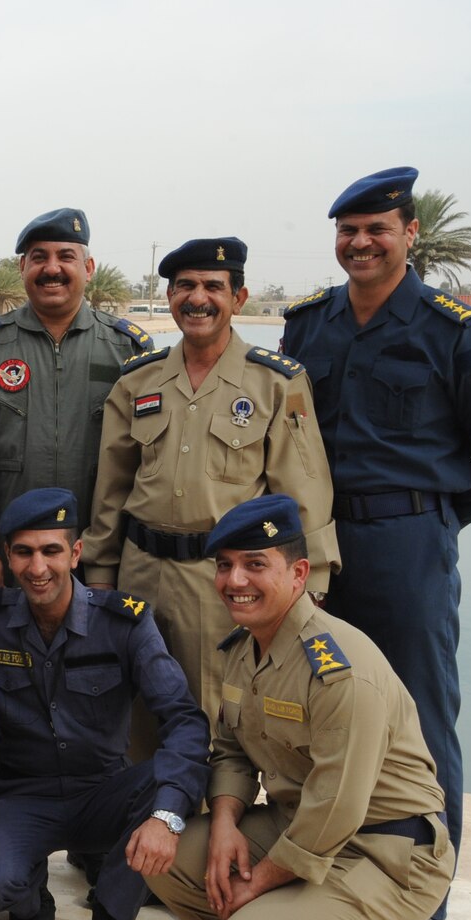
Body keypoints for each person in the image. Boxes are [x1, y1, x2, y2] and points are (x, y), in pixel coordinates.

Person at [281, 167, 471, 920]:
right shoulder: (309, 326)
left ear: (409, 233)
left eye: (376, 229)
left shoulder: (457, 330)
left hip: (405, 545)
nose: (360, 243)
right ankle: (324, 871)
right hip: (314, 550)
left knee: (418, 718)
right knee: (314, 706)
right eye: (348, 231)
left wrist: (434, 521)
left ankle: (423, 895)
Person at [145, 495, 452, 920]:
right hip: (299, 829)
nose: (234, 580)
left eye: (255, 564)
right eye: (224, 564)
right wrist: (222, 825)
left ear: (299, 573)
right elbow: (232, 749)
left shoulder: (339, 671)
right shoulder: (246, 647)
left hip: (386, 853)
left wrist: (260, 880)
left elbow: (337, 806)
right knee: (165, 863)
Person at [0, 488, 209, 920]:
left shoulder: (125, 623)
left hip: (102, 792)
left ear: (76, 553)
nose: (37, 567)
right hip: (20, 794)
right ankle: (30, 892)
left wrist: (166, 816)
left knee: (172, 778)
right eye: (24, 552)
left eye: (52, 551)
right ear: (8, 557)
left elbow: (183, 719)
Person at [83, 237, 337, 719]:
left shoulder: (276, 384)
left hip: (224, 582)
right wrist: (99, 574)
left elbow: (304, 492)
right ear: (170, 297)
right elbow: (110, 491)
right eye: (185, 286)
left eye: (213, 287)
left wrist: (312, 584)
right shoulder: (137, 381)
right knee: (132, 715)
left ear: (237, 299)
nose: (197, 298)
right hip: (139, 575)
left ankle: (210, 800)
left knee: (216, 717)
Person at [0, 207, 154, 591]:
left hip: (100, 557)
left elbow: (145, 461)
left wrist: (117, 554)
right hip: (11, 554)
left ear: (89, 267)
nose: (52, 268)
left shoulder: (128, 348)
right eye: (39, 258)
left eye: (66, 257)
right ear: (22, 267)